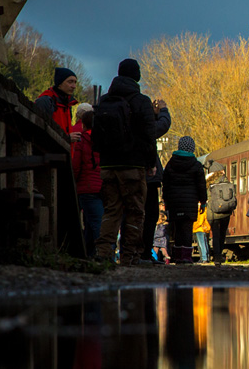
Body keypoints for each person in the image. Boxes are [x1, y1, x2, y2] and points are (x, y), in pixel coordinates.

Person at [94, 58, 171, 264]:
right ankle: (130, 256)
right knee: (136, 211)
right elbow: (148, 134)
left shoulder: (104, 100)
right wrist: (150, 162)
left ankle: (103, 253)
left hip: (108, 165)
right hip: (133, 165)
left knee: (111, 210)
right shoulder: (141, 101)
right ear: (136, 76)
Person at [161, 136, 207, 264]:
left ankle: (176, 256)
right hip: (190, 203)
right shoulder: (196, 165)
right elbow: (201, 185)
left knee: (176, 229)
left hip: (174, 203)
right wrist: (203, 201)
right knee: (187, 229)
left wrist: (165, 200)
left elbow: (166, 184)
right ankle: (186, 257)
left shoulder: (170, 164)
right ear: (192, 148)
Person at [70, 103, 103, 255]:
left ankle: (96, 254)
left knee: (93, 222)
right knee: (93, 222)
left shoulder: (81, 140)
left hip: (86, 186)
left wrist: (74, 181)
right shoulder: (104, 139)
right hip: (102, 186)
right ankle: (90, 253)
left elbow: (76, 166)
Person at [34, 67, 80, 140]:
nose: (74, 86)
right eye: (70, 82)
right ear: (59, 83)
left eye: (75, 82)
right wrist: (67, 138)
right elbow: (39, 131)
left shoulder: (67, 105)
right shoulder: (46, 101)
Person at [205, 161, 237, 267]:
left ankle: (217, 256)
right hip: (225, 212)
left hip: (212, 213)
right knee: (222, 234)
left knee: (215, 235)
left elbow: (206, 198)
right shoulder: (226, 180)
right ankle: (220, 254)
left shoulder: (208, 183)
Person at [139, 154, 165, 265]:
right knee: (149, 217)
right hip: (148, 179)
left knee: (149, 217)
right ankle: (143, 254)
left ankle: (144, 254)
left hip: (148, 179)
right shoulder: (146, 140)